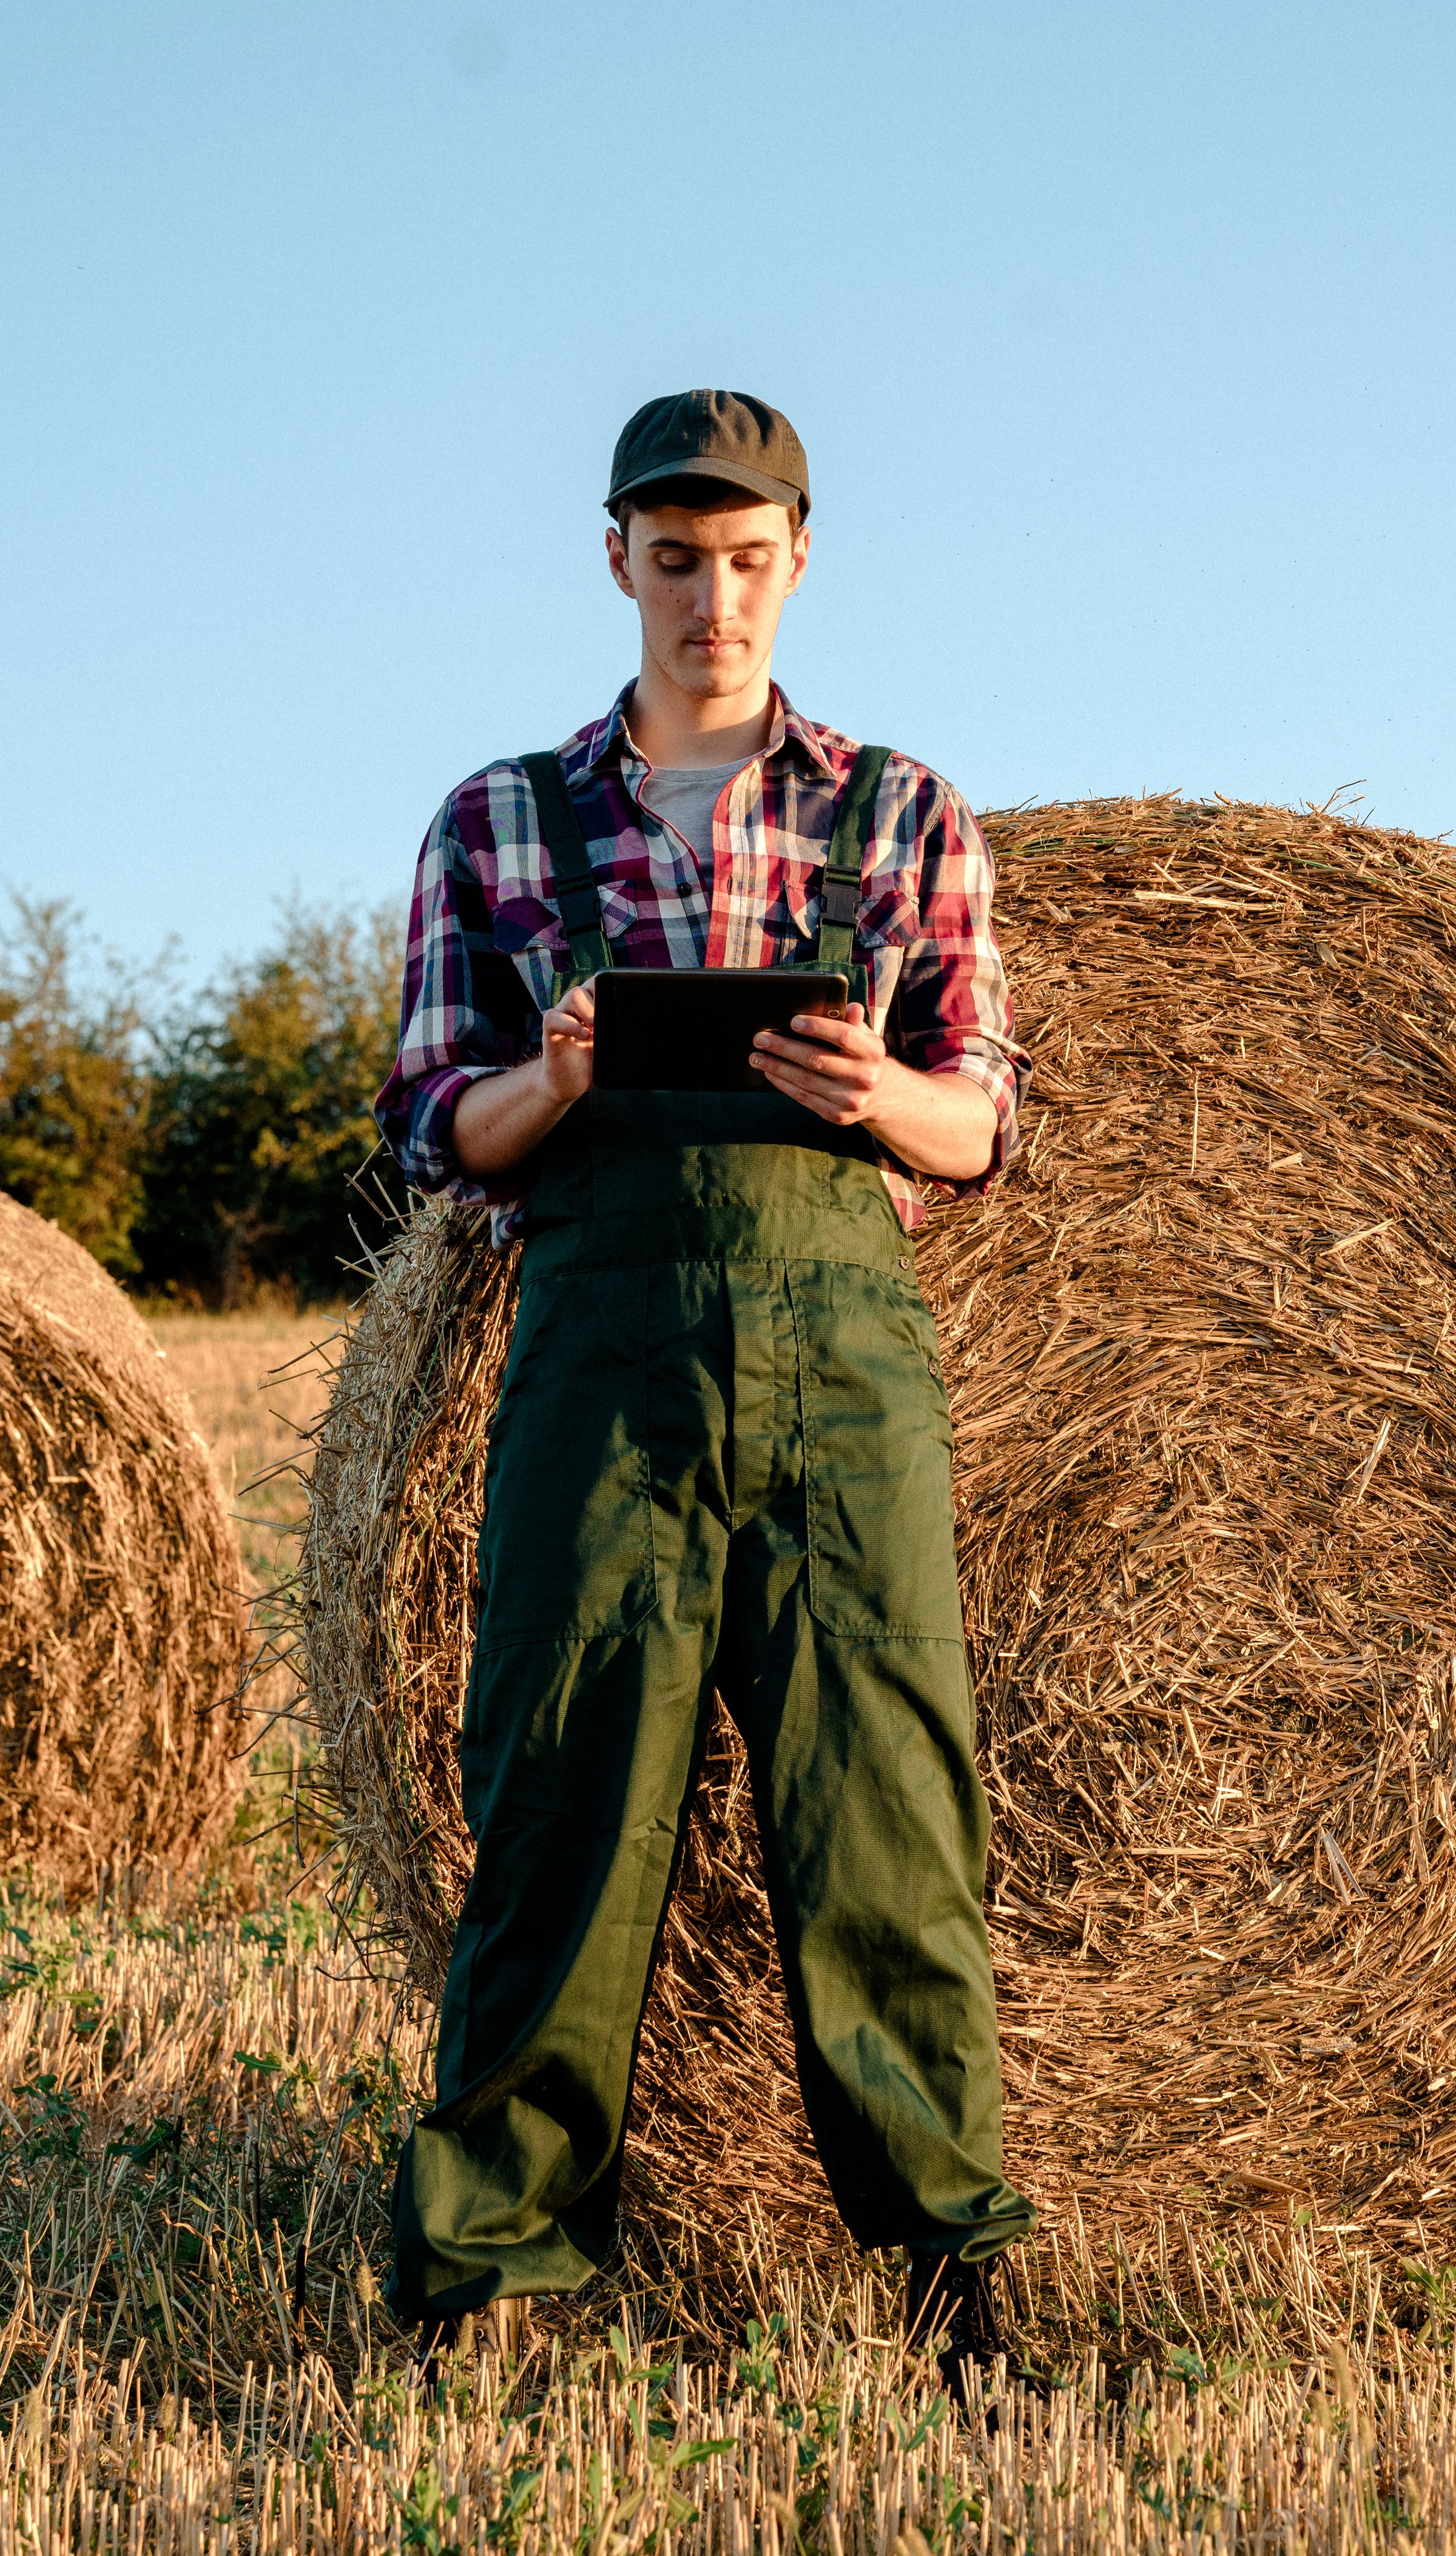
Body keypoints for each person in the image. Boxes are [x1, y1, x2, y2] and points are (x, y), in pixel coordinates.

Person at [371, 389, 1034, 2384]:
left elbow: (988, 1115)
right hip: (601, 1366)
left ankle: (949, 2263)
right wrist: (551, 1082)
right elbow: (428, 1125)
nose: (711, 597)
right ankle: (491, 2263)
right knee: (564, 1794)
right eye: (676, 559)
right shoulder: (498, 823)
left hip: (845, 1381)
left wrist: (883, 1094)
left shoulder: (902, 812)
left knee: (884, 1808)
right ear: (617, 564)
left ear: (799, 563)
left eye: (747, 560)